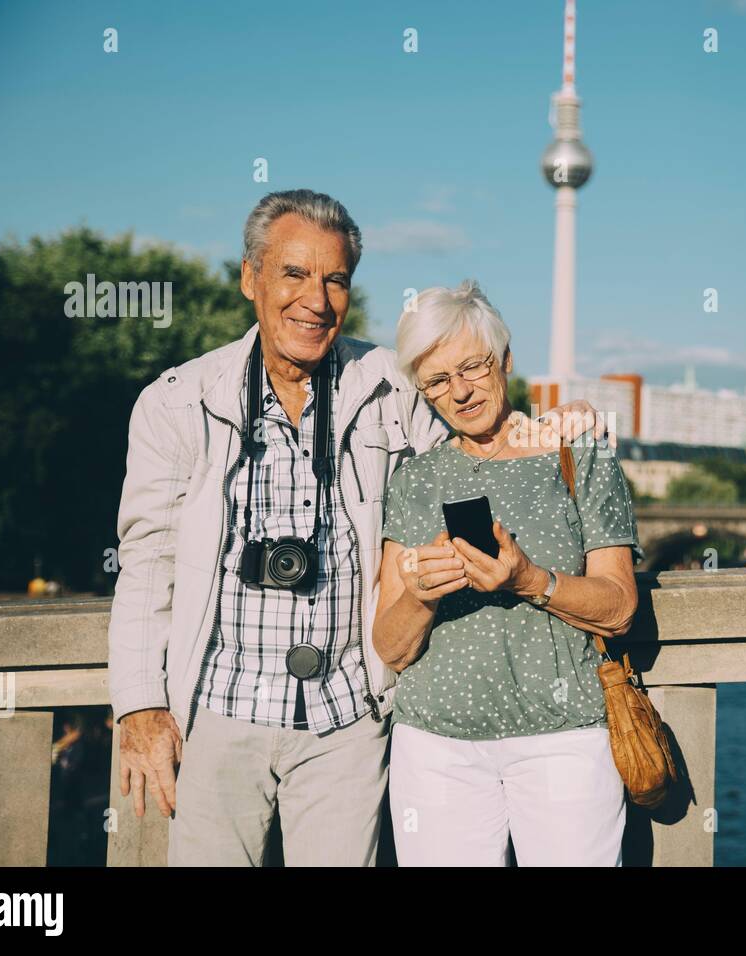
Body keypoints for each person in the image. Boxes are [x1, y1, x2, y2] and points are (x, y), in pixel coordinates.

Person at [108, 190, 607, 866]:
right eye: (293, 274)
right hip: (219, 711)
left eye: (335, 279)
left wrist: (546, 427)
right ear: (251, 277)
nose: (316, 299)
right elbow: (146, 562)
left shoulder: (389, 386)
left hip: (347, 717)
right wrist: (140, 706)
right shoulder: (177, 402)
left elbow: (474, 444)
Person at [374, 280, 642, 866]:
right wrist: (420, 597)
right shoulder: (416, 480)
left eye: (473, 366)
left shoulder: (580, 454)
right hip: (435, 747)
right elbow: (391, 649)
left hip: (565, 739)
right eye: (438, 380)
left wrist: (528, 579)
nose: (462, 392)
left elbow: (620, 608)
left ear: (507, 360)